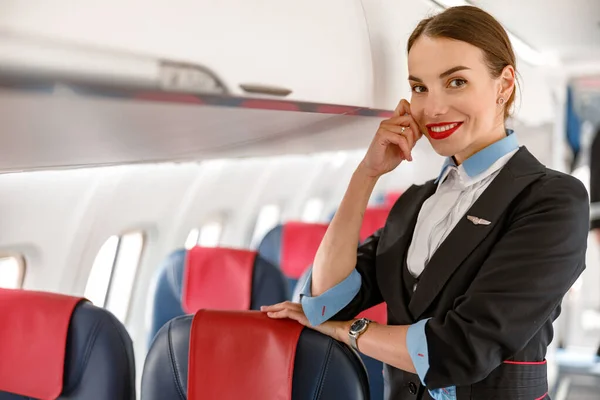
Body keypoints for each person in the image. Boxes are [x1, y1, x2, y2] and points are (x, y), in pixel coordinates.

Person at [261, 5, 589, 400]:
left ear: (504, 85)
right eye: (420, 88)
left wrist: (348, 331)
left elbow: (463, 348)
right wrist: (365, 175)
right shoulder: (415, 204)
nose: (432, 108)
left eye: (455, 83)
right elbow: (324, 303)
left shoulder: (552, 200)